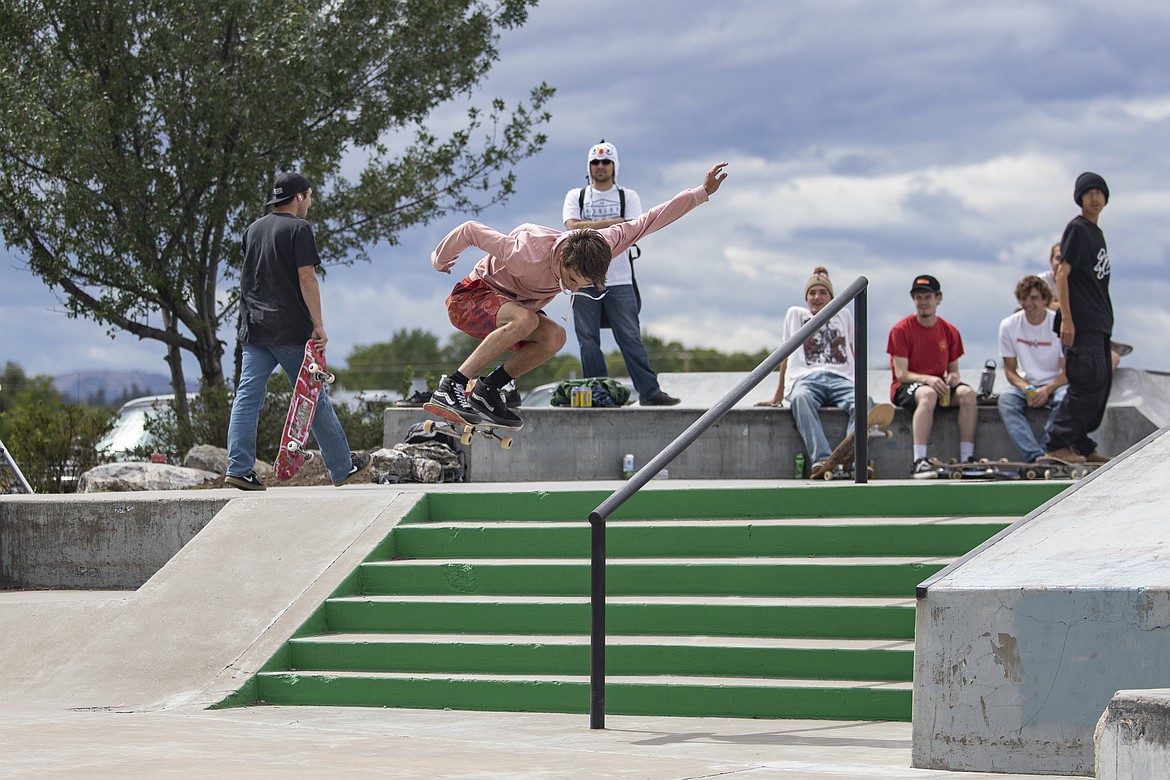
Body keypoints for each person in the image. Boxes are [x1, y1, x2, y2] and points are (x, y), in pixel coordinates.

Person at [427, 162, 729, 429]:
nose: (573, 288)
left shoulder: (607, 242)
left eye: (581, 285)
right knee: (526, 319)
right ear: (563, 261)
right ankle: (452, 384)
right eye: (571, 280)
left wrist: (701, 193)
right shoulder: (526, 252)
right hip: (469, 300)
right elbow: (470, 230)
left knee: (555, 337)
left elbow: (649, 220)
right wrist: (441, 259)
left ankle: (489, 390)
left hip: (510, 311)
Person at [225, 172, 372, 490]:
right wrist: (318, 325)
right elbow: (307, 277)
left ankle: (238, 468)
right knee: (311, 395)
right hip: (290, 329)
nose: (310, 202)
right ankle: (341, 467)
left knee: (247, 397)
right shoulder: (299, 229)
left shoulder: (253, 230)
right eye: (309, 196)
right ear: (299, 197)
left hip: (253, 327)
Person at [562, 141, 679, 406]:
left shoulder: (628, 196)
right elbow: (570, 227)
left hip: (620, 279)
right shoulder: (576, 196)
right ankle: (599, 393)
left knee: (630, 336)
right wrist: (615, 223)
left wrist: (590, 227)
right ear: (588, 167)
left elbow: (634, 229)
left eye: (606, 162)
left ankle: (649, 392)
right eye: (595, 162)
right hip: (582, 279)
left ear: (615, 166)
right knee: (587, 340)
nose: (600, 167)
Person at [755, 266, 868, 477]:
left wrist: (862, 386)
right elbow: (785, 354)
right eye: (812, 293)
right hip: (807, 379)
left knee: (865, 402)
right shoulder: (795, 315)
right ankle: (823, 459)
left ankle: (853, 459)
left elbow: (853, 352)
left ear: (832, 297)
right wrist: (778, 395)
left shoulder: (843, 314)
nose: (817, 297)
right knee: (800, 398)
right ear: (806, 297)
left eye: (823, 293)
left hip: (841, 379)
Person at [1044, 172, 1113, 465]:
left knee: (1101, 385)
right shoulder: (1078, 229)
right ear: (1080, 198)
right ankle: (1057, 442)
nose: (1095, 198)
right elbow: (1062, 274)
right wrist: (1068, 319)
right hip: (1081, 323)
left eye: (1099, 193)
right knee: (1086, 384)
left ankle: (1081, 445)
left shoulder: (1096, 233)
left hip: (1098, 323)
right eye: (1089, 193)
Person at [887, 274, 977, 479]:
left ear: (938, 298)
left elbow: (954, 369)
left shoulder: (950, 331)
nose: (923, 302)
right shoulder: (901, 330)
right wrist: (927, 379)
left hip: (938, 385)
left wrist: (953, 378)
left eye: (927, 297)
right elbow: (901, 374)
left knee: (968, 394)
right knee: (928, 394)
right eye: (918, 297)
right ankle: (919, 461)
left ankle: (967, 460)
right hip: (907, 387)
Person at [996, 275, 1067, 463]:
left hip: (1056, 383)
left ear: (1045, 300)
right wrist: (1026, 387)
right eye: (1024, 298)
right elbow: (1010, 371)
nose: (1028, 304)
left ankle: (1048, 451)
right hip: (1027, 383)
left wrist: (1047, 389)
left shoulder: (1058, 324)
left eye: (1034, 298)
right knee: (1006, 401)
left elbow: (1067, 372)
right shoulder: (1009, 325)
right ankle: (1034, 456)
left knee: (1065, 399)